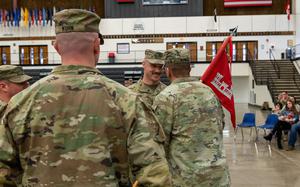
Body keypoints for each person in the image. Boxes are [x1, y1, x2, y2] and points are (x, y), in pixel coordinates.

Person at [0, 9, 171, 186]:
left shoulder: (20, 103)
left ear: (56, 46)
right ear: (96, 45)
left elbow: (4, 174)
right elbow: (155, 174)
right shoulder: (127, 101)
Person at [153, 48, 231, 186]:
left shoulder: (166, 97)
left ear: (167, 70)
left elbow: (158, 142)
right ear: (189, 68)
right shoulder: (209, 91)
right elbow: (221, 125)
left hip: (188, 180)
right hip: (218, 177)